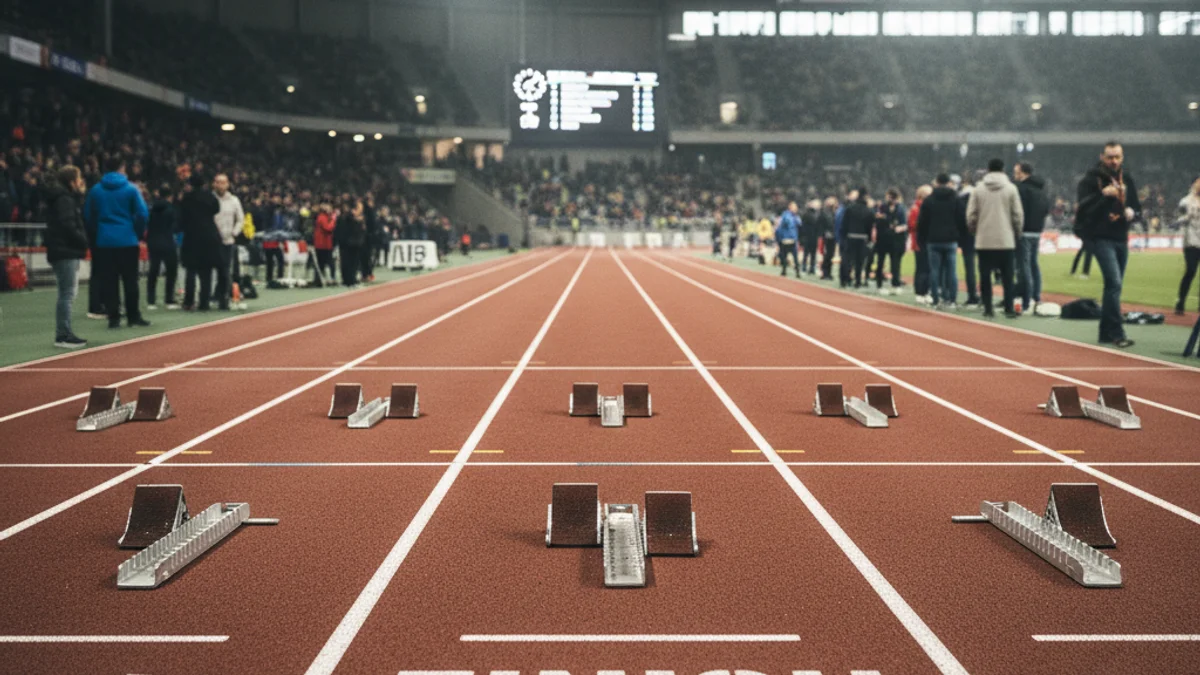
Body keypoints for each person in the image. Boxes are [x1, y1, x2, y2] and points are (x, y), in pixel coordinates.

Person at [1076, 141, 1141, 348]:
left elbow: (1136, 207)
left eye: (1117, 157)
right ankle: (1117, 332)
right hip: (1100, 237)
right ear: (1102, 157)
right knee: (1114, 283)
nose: (1114, 161)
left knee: (1113, 286)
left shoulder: (1127, 178)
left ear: (1122, 158)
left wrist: (1132, 212)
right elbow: (1083, 209)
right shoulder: (1090, 180)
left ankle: (1105, 332)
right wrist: (1103, 196)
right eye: (1110, 157)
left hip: (1121, 237)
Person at [83, 156, 149, 329]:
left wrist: (98, 233)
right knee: (131, 280)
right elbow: (142, 214)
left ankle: (114, 317)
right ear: (122, 168)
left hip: (105, 241)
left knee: (109, 281)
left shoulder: (96, 190)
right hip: (127, 239)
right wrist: (136, 232)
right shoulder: (131, 189)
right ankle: (133, 316)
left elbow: (88, 216)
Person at [967, 158, 1024, 318]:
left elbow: (971, 215)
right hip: (1006, 240)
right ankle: (1008, 308)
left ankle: (988, 308)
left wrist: (975, 231)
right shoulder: (1011, 189)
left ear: (988, 170)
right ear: (1003, 169)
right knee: (1007, 277)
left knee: (985, 276)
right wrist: (1016, 233)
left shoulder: (978, 189)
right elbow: (1017, 214)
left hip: (984, 240)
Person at [43, 165, 90, 348]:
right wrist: (83, 241)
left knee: (67, 292)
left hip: (61, 249)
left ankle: (64, 332)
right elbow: (68, 225)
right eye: (78, 179)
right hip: (65, 250)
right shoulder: (65, 199)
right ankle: (63, 334)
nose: (81, 182)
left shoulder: (62, 198)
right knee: (67, 293)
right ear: (72, 181)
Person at [918, 174, 966, 310]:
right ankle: (951, 299)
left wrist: (922, 239)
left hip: (933, 240)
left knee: (935, 271)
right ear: (948, 183)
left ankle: (935, 299)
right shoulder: (956, 199)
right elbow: (962, 220)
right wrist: (960, 237)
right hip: (950, 240)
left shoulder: (929, 200)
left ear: (936, 183)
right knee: (951, 271)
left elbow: (922, 222)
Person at [179, 174, 221, 311]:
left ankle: (189, 301)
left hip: (191, 237)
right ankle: (204, 302)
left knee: (191, 271)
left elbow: (181, 216)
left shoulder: (187, 198)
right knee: (206, 272)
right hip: (209, 236)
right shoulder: (210, 197)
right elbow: (216, 209)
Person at [1013, 162, 1050, 314]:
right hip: (1037, 230)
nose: (1015, 175)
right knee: (1034, 264)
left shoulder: (1022, 189)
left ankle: (1026, 300)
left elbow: (1017, 211)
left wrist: (1017, 228)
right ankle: (1036, 297)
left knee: (1024, 266)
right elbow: (1046, 208)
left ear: (1022, 173)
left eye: (1016, 172)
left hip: (1024, 231)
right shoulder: (1041, 189)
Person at [212, 174, 244, 310]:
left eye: (223, 182)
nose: (221, 185)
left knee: (225, 271)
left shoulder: (234, 200)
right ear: (214, 184)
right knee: (209, 271)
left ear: (228, 184)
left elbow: (240, 219)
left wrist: (234, 232)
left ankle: (224, 298)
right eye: (218, 182)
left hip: (228, 240)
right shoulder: (210, 199)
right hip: (212, 241)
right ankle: (209, 296)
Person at [145, 183, 179, 310]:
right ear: (170, 196)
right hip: (168, 241)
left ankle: (151, 300)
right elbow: (175, 226)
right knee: (171, 271)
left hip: (153, 241)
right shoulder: (171, 209)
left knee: (153, 270)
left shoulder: (152, 208)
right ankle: (169, 299)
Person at [873, 188, 908, 293]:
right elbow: (878, 221)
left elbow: (904, 224)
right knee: (881, 261)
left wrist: (899, 228)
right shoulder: (882, 207)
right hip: (883, 239)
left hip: (895, 239)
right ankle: (879, 284)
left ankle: (895, 283)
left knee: (895, 262)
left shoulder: (900, 208)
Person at [956, 173, 982, 310]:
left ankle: (972, 296)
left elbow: (960, 219)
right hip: (984, 235)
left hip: (967, 236)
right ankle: (985, 296)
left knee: (970, 267)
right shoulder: (981, 195)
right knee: (985, 267)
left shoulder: (961, 198)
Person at [841, 188, 875, 289]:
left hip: (850, 236)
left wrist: (844, 236)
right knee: (859, 261)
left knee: (847, 259)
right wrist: (869, 238)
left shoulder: (850, 208)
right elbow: (870, 226)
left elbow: (844, 224)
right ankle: (858, 281)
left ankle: (845, 280)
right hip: (862, 237)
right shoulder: (868, 210)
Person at [1176, 176, 1200, 315]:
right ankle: (1181, 302)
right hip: (1191, 241)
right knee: (1190, 271)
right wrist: (1185, 218)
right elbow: (1181, 217)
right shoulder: (1185, 201)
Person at [910, 185, 932, 302]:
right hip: (918, 242)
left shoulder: (923, 207)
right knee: (921, 267)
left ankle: (926, 291)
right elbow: (912, 225)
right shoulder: (916, 208)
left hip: (925, 240)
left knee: (927, 268)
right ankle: (919, 291)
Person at [338, 200, 367, 287]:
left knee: (354, 263)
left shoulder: (359, 218)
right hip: (349, 243)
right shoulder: (348, 217)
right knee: (349, 262)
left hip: (356, 243)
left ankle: (351, 279)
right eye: (360, 207)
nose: (361, 209)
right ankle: (349, 281)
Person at [775, 202, 802, 278]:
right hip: (786, 239)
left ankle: (797, 272)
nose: (796, 209)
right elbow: (784, 225)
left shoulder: (795, 216)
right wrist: (779, 238)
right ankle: (784, 270)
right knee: (784, 255)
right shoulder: (786, 215)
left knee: (795, 256)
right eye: (794, 207)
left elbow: (799, 223)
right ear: (790, 207)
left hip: (793, 239)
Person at [314, 203, 337, 284]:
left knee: (323, 263)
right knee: (327, 263)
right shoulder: (322, 217)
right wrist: (333, 220)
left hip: (325, 244)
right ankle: (328, 278)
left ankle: (320, 279)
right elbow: (328, 228)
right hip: (323, 244)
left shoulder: (325, 217)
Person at [801, 199, 822, 275]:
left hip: (810, 236)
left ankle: (809, 267)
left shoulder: (807, 214)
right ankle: (806, 267)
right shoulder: (810, 214)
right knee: (808, 253)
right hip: (810, 236)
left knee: (810, 253)